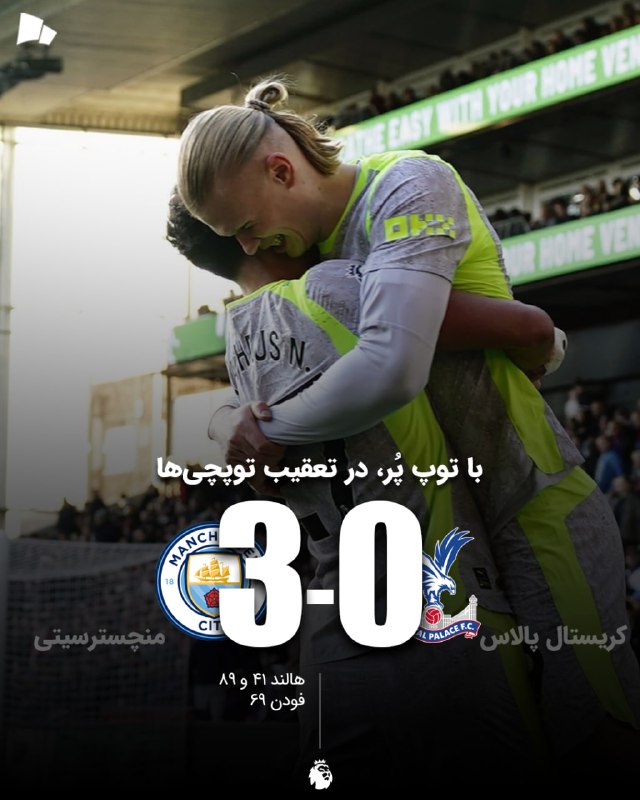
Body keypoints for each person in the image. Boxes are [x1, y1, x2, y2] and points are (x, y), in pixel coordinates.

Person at [175, 80, 640, 759]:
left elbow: (395, 364)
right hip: (457, 539)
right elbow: (528, 331)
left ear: (280, 170)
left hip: (529, 499)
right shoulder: (310, 266)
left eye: (245, 226)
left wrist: (262, 429)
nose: (249, 245)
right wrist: (231, 423)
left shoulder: (407, 185)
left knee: (595, 734)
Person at [167, 196, 550, 783]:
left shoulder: (238, 349)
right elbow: (525, 327)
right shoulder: (336, 286)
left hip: (333, 628)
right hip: (440, 605)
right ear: (255, 231)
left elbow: (254, 468)